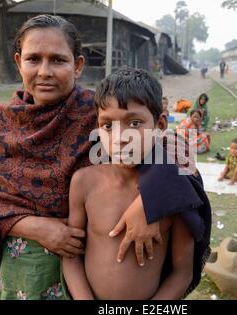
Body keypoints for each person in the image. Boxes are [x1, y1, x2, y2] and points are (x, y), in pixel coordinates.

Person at [0, 15, 210, 300]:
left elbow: (180, 154)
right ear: (18, 62)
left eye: (58, 60)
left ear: (78, 65)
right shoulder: (3, 126)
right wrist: (37, 227)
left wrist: (149, 203)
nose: (45, 71)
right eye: (34, 59)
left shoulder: (100, 111)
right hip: (24, 271)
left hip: (92, 274)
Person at [63, 68, 209, 300]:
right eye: (107, 125)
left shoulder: (175, 194)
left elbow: (183, 273)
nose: (120, 137)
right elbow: (71, 256)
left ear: (160, 125)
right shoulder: (84, 183)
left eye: (134, 123)